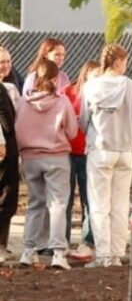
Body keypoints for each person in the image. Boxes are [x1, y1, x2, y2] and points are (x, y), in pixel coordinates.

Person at [14, 59, 78, 269]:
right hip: (56, 156)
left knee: (35, 204)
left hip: (30, 158)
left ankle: (28, 250)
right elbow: (72, 131)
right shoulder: (61, 102)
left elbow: (17, 128)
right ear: (55, 78)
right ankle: (58, 253)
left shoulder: (24, 101)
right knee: (58, 204)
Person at [81, 43, 132, 268]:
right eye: (125, 62)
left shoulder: (91, 86)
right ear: (117, 62)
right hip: (124, 150)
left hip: (100, 149)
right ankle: (116, 254)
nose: (126, 66)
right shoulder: (131, 87)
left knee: (98, 204)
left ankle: (103, 254)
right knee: (121, 204)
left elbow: (84, 120)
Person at [63, 59, 100, 261]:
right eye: (93, 74)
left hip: (88, 152)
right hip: (68, 150)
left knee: (89, 199)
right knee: (65, 198)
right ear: (85, 74)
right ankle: (62, 240)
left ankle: (87, 242)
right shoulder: (69, 92)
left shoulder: (100, 93)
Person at [0, 61, 17, 261]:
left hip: (8, 147)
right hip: (6, 149)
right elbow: (3, 116)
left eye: (7, 62)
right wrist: (3, 141)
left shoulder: (8, 86)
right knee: (6, 195)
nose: (5, 66)